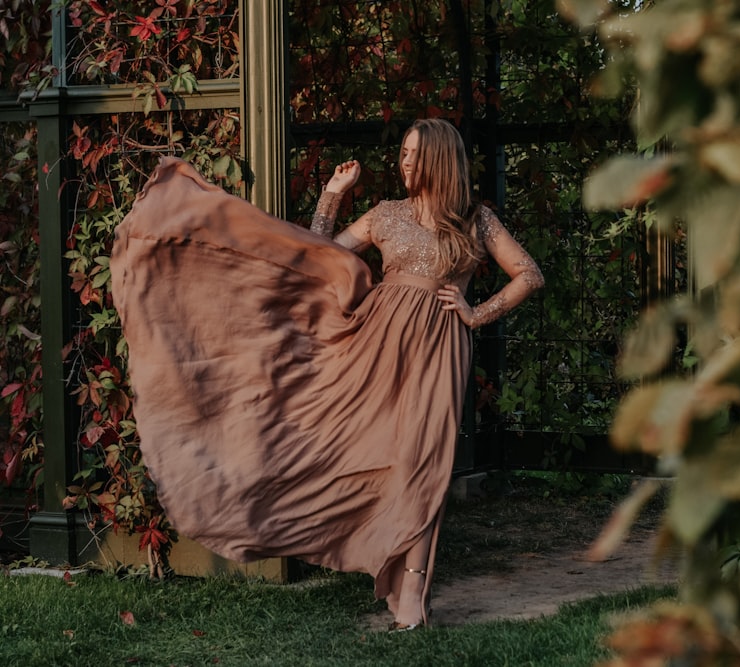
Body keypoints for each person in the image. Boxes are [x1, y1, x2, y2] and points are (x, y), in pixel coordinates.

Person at [110, 118, 543, 631]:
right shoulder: (386, 214)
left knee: (424, 462)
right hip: (375, 345)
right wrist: (333, 194)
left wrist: (476, 313)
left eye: (412, 154)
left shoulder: (476, 220)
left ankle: (412, 592)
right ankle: (351, 545)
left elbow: (529, 274)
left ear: (438, 159)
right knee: (362, 451)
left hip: (439, 345)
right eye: (401, 153)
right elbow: (318, 257)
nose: (403, 163)